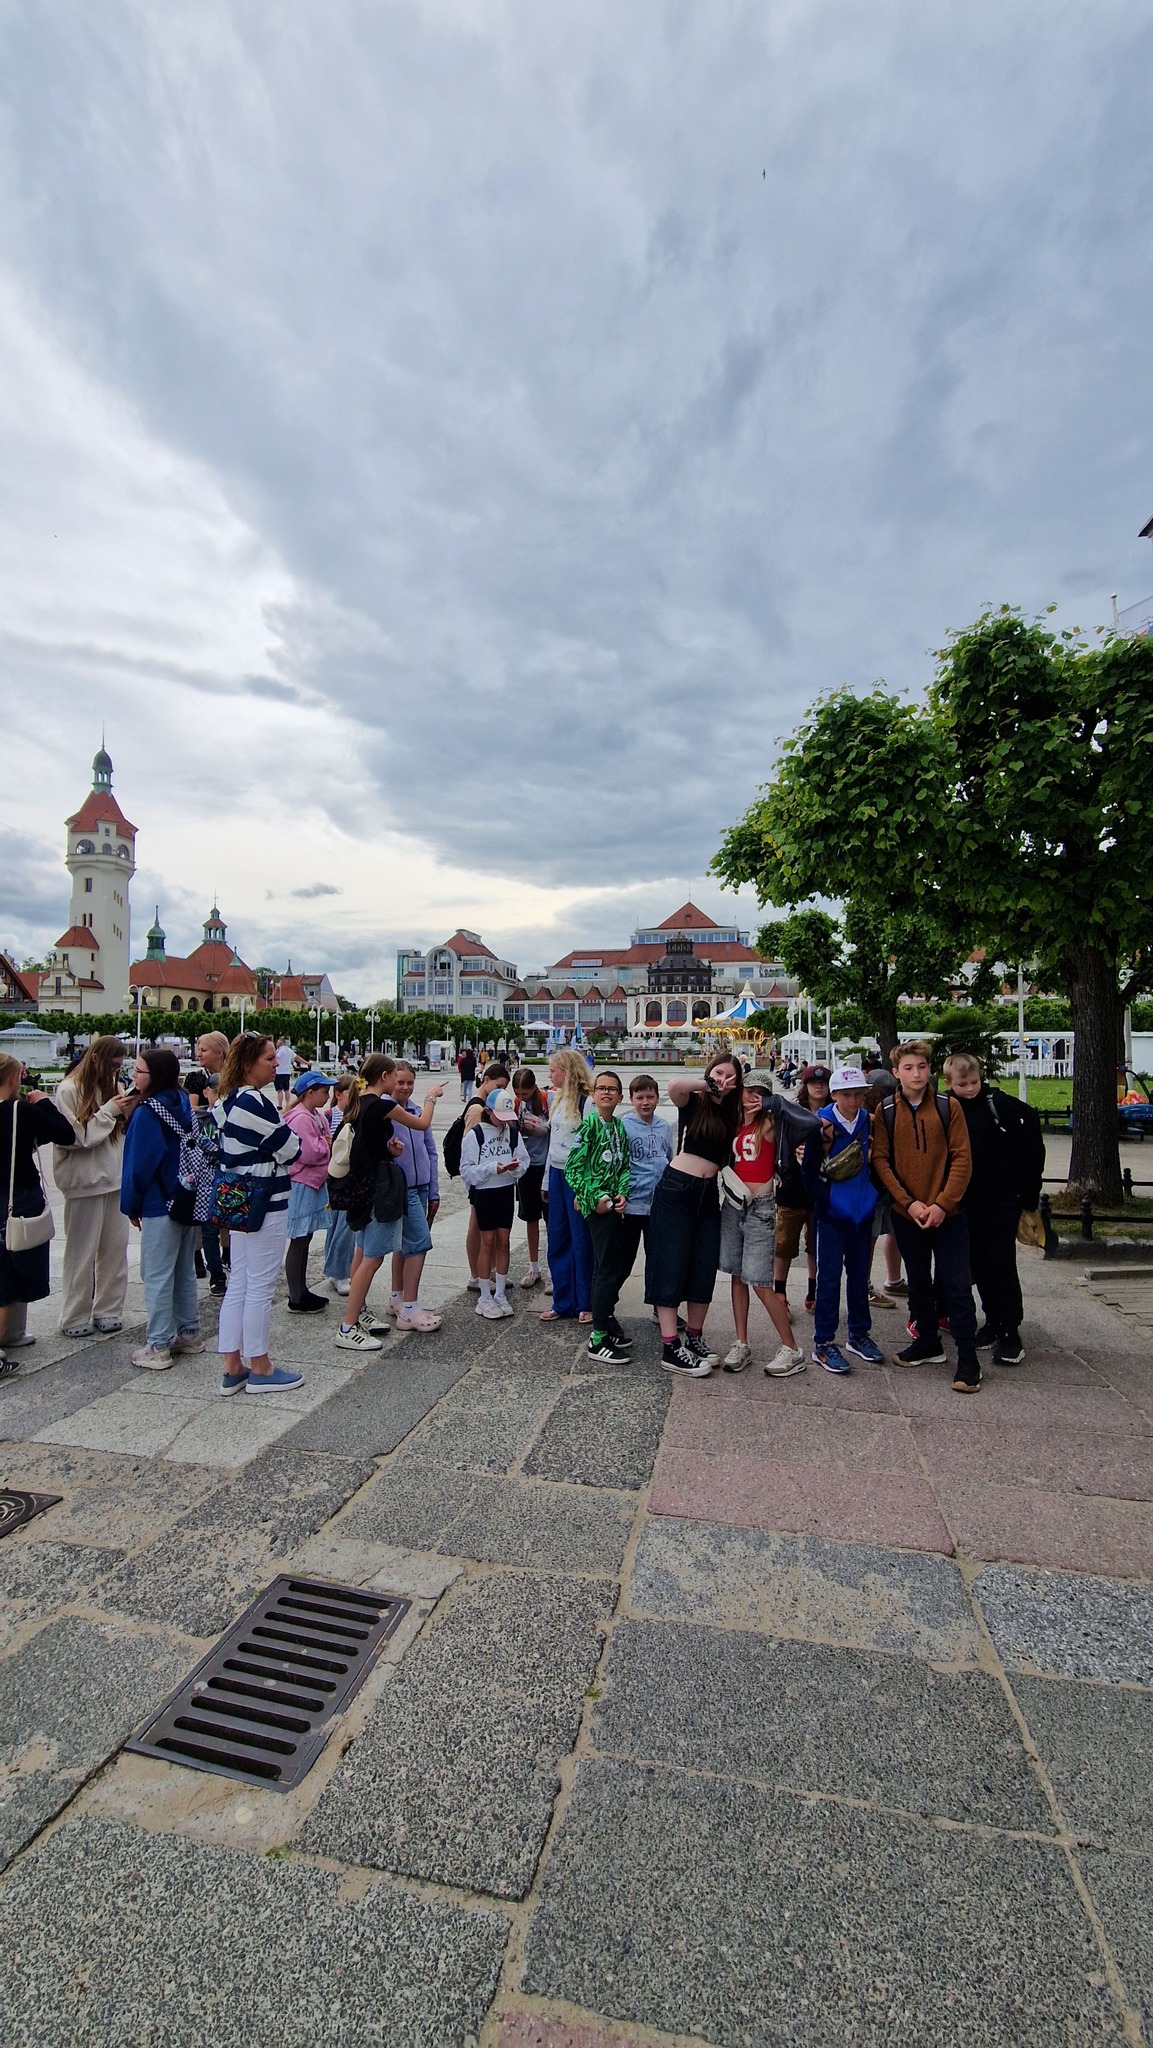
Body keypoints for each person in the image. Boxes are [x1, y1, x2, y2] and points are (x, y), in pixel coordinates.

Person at [871, 1039, 980, 1392]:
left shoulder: (949, 1107)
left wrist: (942, 1204)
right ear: (896, 1073)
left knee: (955, 1284)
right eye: (908, 1068)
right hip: (908, 1214)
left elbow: (962, 1158)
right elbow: (881, 1160)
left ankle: (968, 1358)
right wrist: (909, 1203)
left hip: (949, 1214)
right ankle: (928, 1341)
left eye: (921, 1067)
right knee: (917, 1282)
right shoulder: (887, 1111)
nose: (916, 1074)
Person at [212, 1032, 305, 1395]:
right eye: (269, 1058)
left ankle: (233, 1366)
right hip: (265, 1200)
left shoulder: (229, 1099)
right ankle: (261, 1367)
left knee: (240, 1281)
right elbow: (291, 1148)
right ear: (249, 1063)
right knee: (260, 1285)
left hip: (238, 1201)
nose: (276, 1063)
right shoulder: (254, 1101)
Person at [335, 1055, 445, 1352]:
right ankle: (347, 1326)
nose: (398, 1083)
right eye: (395, 1077)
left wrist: (389, 1152)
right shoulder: (383, 1105)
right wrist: (431, 1098)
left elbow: (363, 1147)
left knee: (365, 1253)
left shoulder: (357, 1104)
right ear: (384, 1076)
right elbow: (422, 1123)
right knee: (373, 1258)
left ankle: (357, 1314)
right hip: (379, 1191)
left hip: (361, 1187)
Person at [644, 1051, 744, 1376]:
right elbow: (674, 1085)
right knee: (671, 1263)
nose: (724, 1080)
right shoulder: (695, 1102)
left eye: (730, 1076)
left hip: (708, 1194)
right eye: (719, 1073)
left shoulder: (734, 1112)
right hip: (677, 1188)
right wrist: (708, 1085)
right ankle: (670, 1345)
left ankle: (695, 1336)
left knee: (704, 1266)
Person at [943, 1052, 1044, 1367]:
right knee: (979, 1263)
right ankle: (992, 1320)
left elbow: (1032, 1148)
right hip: (966, 1200)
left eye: (974, 1082)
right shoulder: (947, 1106)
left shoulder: (1001, 1106)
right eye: (963, 1084)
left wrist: (1029, 1196)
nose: (970, 1089)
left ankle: (1010, 1329)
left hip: (1002, 1199)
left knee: (1001, 1263)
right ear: (949, 1082)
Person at [719, 1069, 819, 1377]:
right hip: (733, 1203)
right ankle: (741, 1341)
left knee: (761, 1283)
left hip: (761, 1206)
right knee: (737, 1276)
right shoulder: (734, 1122)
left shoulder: (772, 1122)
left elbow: (811, 1123)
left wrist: (774, 1104)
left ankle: (791, 1348)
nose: (754, 1097)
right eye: (750, 1091)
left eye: (761, 1093)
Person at [119, 1047, 205, 1372]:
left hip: (158, 1201)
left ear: (154, 1076)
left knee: (156, 1273)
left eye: (139, 1070)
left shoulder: (147, 1112)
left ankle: (158, 1344)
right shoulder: (182, 1101)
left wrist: (131, 1205)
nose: (133, 1075)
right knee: (184, 1269)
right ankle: (189, 1332)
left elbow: (138, 1166)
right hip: (187, 1196)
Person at [53, 1035, 133, 1338]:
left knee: (115, 1250)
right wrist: (109, 1111)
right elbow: (75, 1137)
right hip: (83, 1182)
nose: (115, 1071)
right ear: (96, 1059)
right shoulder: (68, 1089)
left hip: (114, 1178)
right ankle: (74, 1315)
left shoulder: (113, 1086)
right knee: (81, 1253)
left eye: (119, 1066)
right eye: (112, 1065)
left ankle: (108, 1309)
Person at [0, 1057, 75, 1375]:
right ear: (14, 1078)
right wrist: (44, 1102)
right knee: (10, 1275)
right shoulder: (20, 1112)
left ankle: (12, 1334)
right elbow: (65, 1134)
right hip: (17, 1198)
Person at [810, 1065, 885, 1375]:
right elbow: (807, 1170)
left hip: (862, 1211)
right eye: (847, 1095)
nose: (853, 1101)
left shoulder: (870, 1121)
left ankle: (858, 1334)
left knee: (858, 1275)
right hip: (832, 1213)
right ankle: (824, 1341)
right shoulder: (822, 1124)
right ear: (834, 1095)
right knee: (828, 1278)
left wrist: (874, 1196)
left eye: (858, 1094)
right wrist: (823, 1203)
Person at [564, 1070, 633, 1363]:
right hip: (597, 1208)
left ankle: (605, 1319)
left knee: (611, 1266)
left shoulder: (618, 1127)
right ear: (593, 1095)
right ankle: (598, 1337)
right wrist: (595, 1199)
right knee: (607, 1269)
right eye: (601, 1088)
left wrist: (621, 1193)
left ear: (620, 1096)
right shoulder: (589, 1126)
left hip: (614, 1206)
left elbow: (624, 1165)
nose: (606, 1093)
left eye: (612, 1089)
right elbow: (572, 1170)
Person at [383, 1060, 443, 1332]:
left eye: (410, 1082)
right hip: (401, 1187)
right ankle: (409, 1309)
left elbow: (430, 1151)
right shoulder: (386, 1111)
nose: (405, 1087)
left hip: (421, 1186)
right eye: (400, 1082)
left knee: (405, 1245)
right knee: (419, 1243)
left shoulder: (416, 1110)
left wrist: (433, 1190)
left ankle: (397, 1298)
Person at [459, 1087, 529, 1318]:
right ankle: (484, 1296)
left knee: (504, 1241)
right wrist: (492, 1168)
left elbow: (524, 1159)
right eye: (500, 1117)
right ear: (489, 1111)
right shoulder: (476, 1135)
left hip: (505, 1190)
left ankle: (500, 1293)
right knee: (487, 1241)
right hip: (485, 1192)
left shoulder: (512, 1133)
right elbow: (466, 1171)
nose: (504, 1122)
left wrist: (515, 1168)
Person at [540, 1048, 596, 1323]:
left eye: (553, 1070)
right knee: (558, 1238)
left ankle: (586, 1301)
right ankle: (563, 1301)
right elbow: (552, 1143)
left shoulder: (588, 1102)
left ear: (567, 1071)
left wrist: (587, 1187)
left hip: (578, 1176)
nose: (550, 1075)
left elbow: (594, 1146)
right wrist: (545, 1181)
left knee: (582, 1240)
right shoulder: (557, 1098)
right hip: (556, 1174)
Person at [773, 1064, 830, 1311]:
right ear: (804, 1086)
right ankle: (780, 1294)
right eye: (813, 1083)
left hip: (822, 1187)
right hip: (792, 1186)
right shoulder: (792, 1113)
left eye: (824, 1083)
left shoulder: (835, 1113)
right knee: (784, 1244)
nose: (819, 1087)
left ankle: (813, 1292)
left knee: (816, 1244)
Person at [616, 1074, 675, 1287]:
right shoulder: (623, 1126)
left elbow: (669, 1157)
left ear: (657, 1098)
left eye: (650, 1097)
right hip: (632, 1204)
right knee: (623, 1259)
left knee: (658, 1259)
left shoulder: (664, 1126)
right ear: (631, 1099)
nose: (645, 1102)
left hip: (658, 1204)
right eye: (640, 1097)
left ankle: (659, 1303)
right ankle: (606, 1301)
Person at [184, 1030, 230, 1293]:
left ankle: (226, 1257)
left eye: (204, 1049)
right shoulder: (195, 1078)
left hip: (225, 1159)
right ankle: (205, 1264)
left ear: (219, 1052)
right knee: (205, 1220)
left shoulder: (234, 1078)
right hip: (204, 1158)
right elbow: (191, 1113)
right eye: (198, 1049)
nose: (199, 1053)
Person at [283, 1070, 333, 1312]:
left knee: (306, 1237)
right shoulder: (301, 1118)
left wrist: (324, 1142)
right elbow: (309, 1152)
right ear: (310, 1093)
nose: (328, 1096)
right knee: (300, 1238)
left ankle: (302, 1290)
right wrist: (325, 1143)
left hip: (314, 1182)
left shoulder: (316, 1115)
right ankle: (296, 1295)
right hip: (302, 1183)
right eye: (324, 1091)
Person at [462, 1062, 512, 1290]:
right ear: (486, 1079)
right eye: (498, 1086)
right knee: (477, 1226)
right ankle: (476, 1274)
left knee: (485, 1229)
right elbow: (470, 1146)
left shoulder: (484, 1105)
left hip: (490, 1178)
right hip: (480, 1179)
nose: (500, 1091)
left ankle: (489, 1271)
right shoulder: (477, 1109)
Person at [865, 1065, 902, 1307]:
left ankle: (894, 1281)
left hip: (889, 1187)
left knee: (892, 1231)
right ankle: (864, 1286)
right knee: (870, 1238)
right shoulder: (866, 1119)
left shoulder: (888, 1115)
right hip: (874, 1188)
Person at [512, 1068, 550, 1288]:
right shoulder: (517, 1104)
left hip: (546, 1166)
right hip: (526, 1168)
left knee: (552, 1221)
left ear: (534, 1087)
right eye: (517, 1093)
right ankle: (534, 1267)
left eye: (525, 1093)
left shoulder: (548, 1100)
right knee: (531, 1218)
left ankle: (553, 1271)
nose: (521, 1097)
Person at [322, 1075, 356, 1296]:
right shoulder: (328, 1116)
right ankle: (338, 1271)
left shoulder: (356, 1115)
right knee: (338, 1224)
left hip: (350, 1175)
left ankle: (338, 1269)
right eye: (351, 1094)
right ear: (339, 1094)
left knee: (345, 1224)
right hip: (334, 1175)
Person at [273, 1038, 296, 1110]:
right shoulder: (289, 1050)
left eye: (277, 1042)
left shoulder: (280, 1050)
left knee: (279, 1090)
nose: (276, 1044)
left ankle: (280, 1105)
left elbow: (276, 1057)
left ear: (280, 1043)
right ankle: (288, 1104)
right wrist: (306, 1062)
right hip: (287, 1072)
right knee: (286, 1089)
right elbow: (296, 1057)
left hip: (279, 1072)